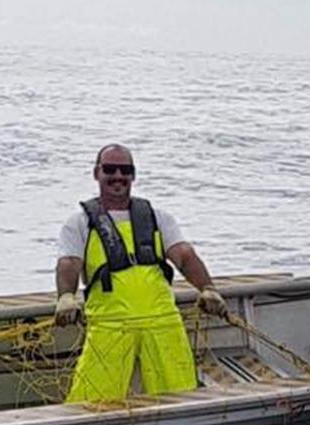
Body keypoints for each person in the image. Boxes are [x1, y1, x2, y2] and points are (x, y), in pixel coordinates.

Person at [55, 143, 225, 402]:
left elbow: (184, 255)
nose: (118, 177)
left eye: (125, 170)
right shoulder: (79, 223)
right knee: (91, 403)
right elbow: (69, 263)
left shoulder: (158, 217)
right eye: (110, 169)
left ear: (133, 175)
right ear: (96, 173)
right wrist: (66, 296)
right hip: (110, 326)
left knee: (182, 397)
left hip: (162, 322)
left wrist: (208, 288)